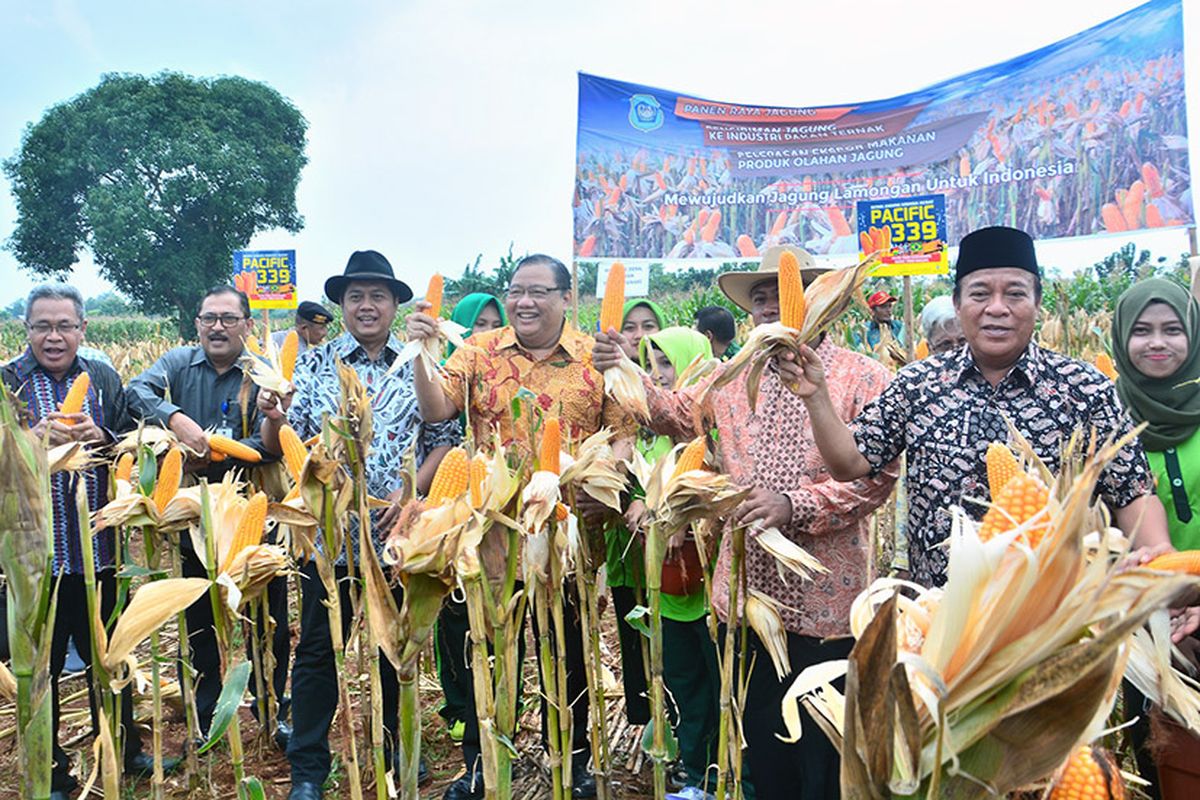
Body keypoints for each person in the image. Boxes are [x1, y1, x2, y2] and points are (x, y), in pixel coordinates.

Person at [593, 244, 899, 800]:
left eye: (779, 293)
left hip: (828, 598)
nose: (767, 307)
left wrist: (794, 504)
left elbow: (874, 478)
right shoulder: (729, 377)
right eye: (759, 297)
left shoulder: (862, 376)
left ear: (817, 300)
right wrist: (623, 369)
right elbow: (677, 415)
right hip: (744, 593)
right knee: (764, 743)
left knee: (824, 752)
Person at [785, 225, 1172, 589]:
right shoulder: (917, 384)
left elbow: (1133, 492)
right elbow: (850, 463)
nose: (997, 308)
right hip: (941, 620)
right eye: (980, 293)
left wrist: (1158, 554)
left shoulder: (1085, 389)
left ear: (1038, 301)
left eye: (1016, 294)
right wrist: (816, 395)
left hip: (1053, 619)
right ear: (958, 303)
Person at [406, 253, 636, 800]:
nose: (523, 301)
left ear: (564, 298)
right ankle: (483, 762)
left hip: (569, 528)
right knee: (485, 648)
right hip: (489, 528)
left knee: (569, 646)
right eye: (515, 291)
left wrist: (606, 478)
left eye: (537, 291)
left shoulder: (596, 356)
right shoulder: (479, 351)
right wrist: (419, 351)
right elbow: (437, 409)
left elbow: (623, 433)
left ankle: (574, 758)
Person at [259, 250, 459, 800]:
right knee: (319, 652)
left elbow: (445, 438)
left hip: (395, 539)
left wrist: (411, 488)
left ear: (395, 305)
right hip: (328, 542)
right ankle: (308, 769)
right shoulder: (314, 364)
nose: (366, 306)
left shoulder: (421, 362)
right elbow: (284, 442)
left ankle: (398, 752)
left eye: (377, 296)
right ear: (341, 306)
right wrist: (274, 417)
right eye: (354, 297)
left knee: (394, 650)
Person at [0, 283, 174, 798]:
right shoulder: (8, 382)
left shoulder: (100, 377)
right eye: (42, 326)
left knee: (111, 656)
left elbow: (129, 441)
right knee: (43, 669)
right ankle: (50, 768)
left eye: (65, 326)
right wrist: (34, 442)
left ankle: (124, 748)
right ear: (26, 330)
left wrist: (102, 440)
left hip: (99, 551)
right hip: (36, 559)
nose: (54, 337)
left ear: (82, 329)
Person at [126, 285, 291, 747]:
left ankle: (271, 711)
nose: (217, 327)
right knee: (198, 618)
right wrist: (176, 419)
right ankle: (207, 717)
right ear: (197, 324)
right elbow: (134, 391)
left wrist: (220, 454)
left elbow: (274, 444)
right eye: (208, 318)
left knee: (267, 618)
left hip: (255, 508)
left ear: (245, 324)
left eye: (228, 319)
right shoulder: (178, 365)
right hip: (193, 514)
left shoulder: (263, 373)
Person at [624, 326, 721, 792]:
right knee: (684, 685)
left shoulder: (717, 427)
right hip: (667, 586)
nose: (658, 374)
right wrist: (642, 504)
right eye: (651, 363)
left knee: (721, 683)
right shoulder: (650, 434)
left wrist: (688, 512)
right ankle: (698, 772)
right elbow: (644, 485)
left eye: (667, 362)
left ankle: (733, 773)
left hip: (711, 590)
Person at [433, 291, 506, 742]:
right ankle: (459, 702)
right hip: (450, 512)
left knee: (495, 617)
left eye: (494, 323)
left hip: (494, 509)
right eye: (477, 325)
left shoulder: (500, 378)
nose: (487, 333)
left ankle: (497, 705)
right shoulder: (443, 376)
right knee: (454, 614)